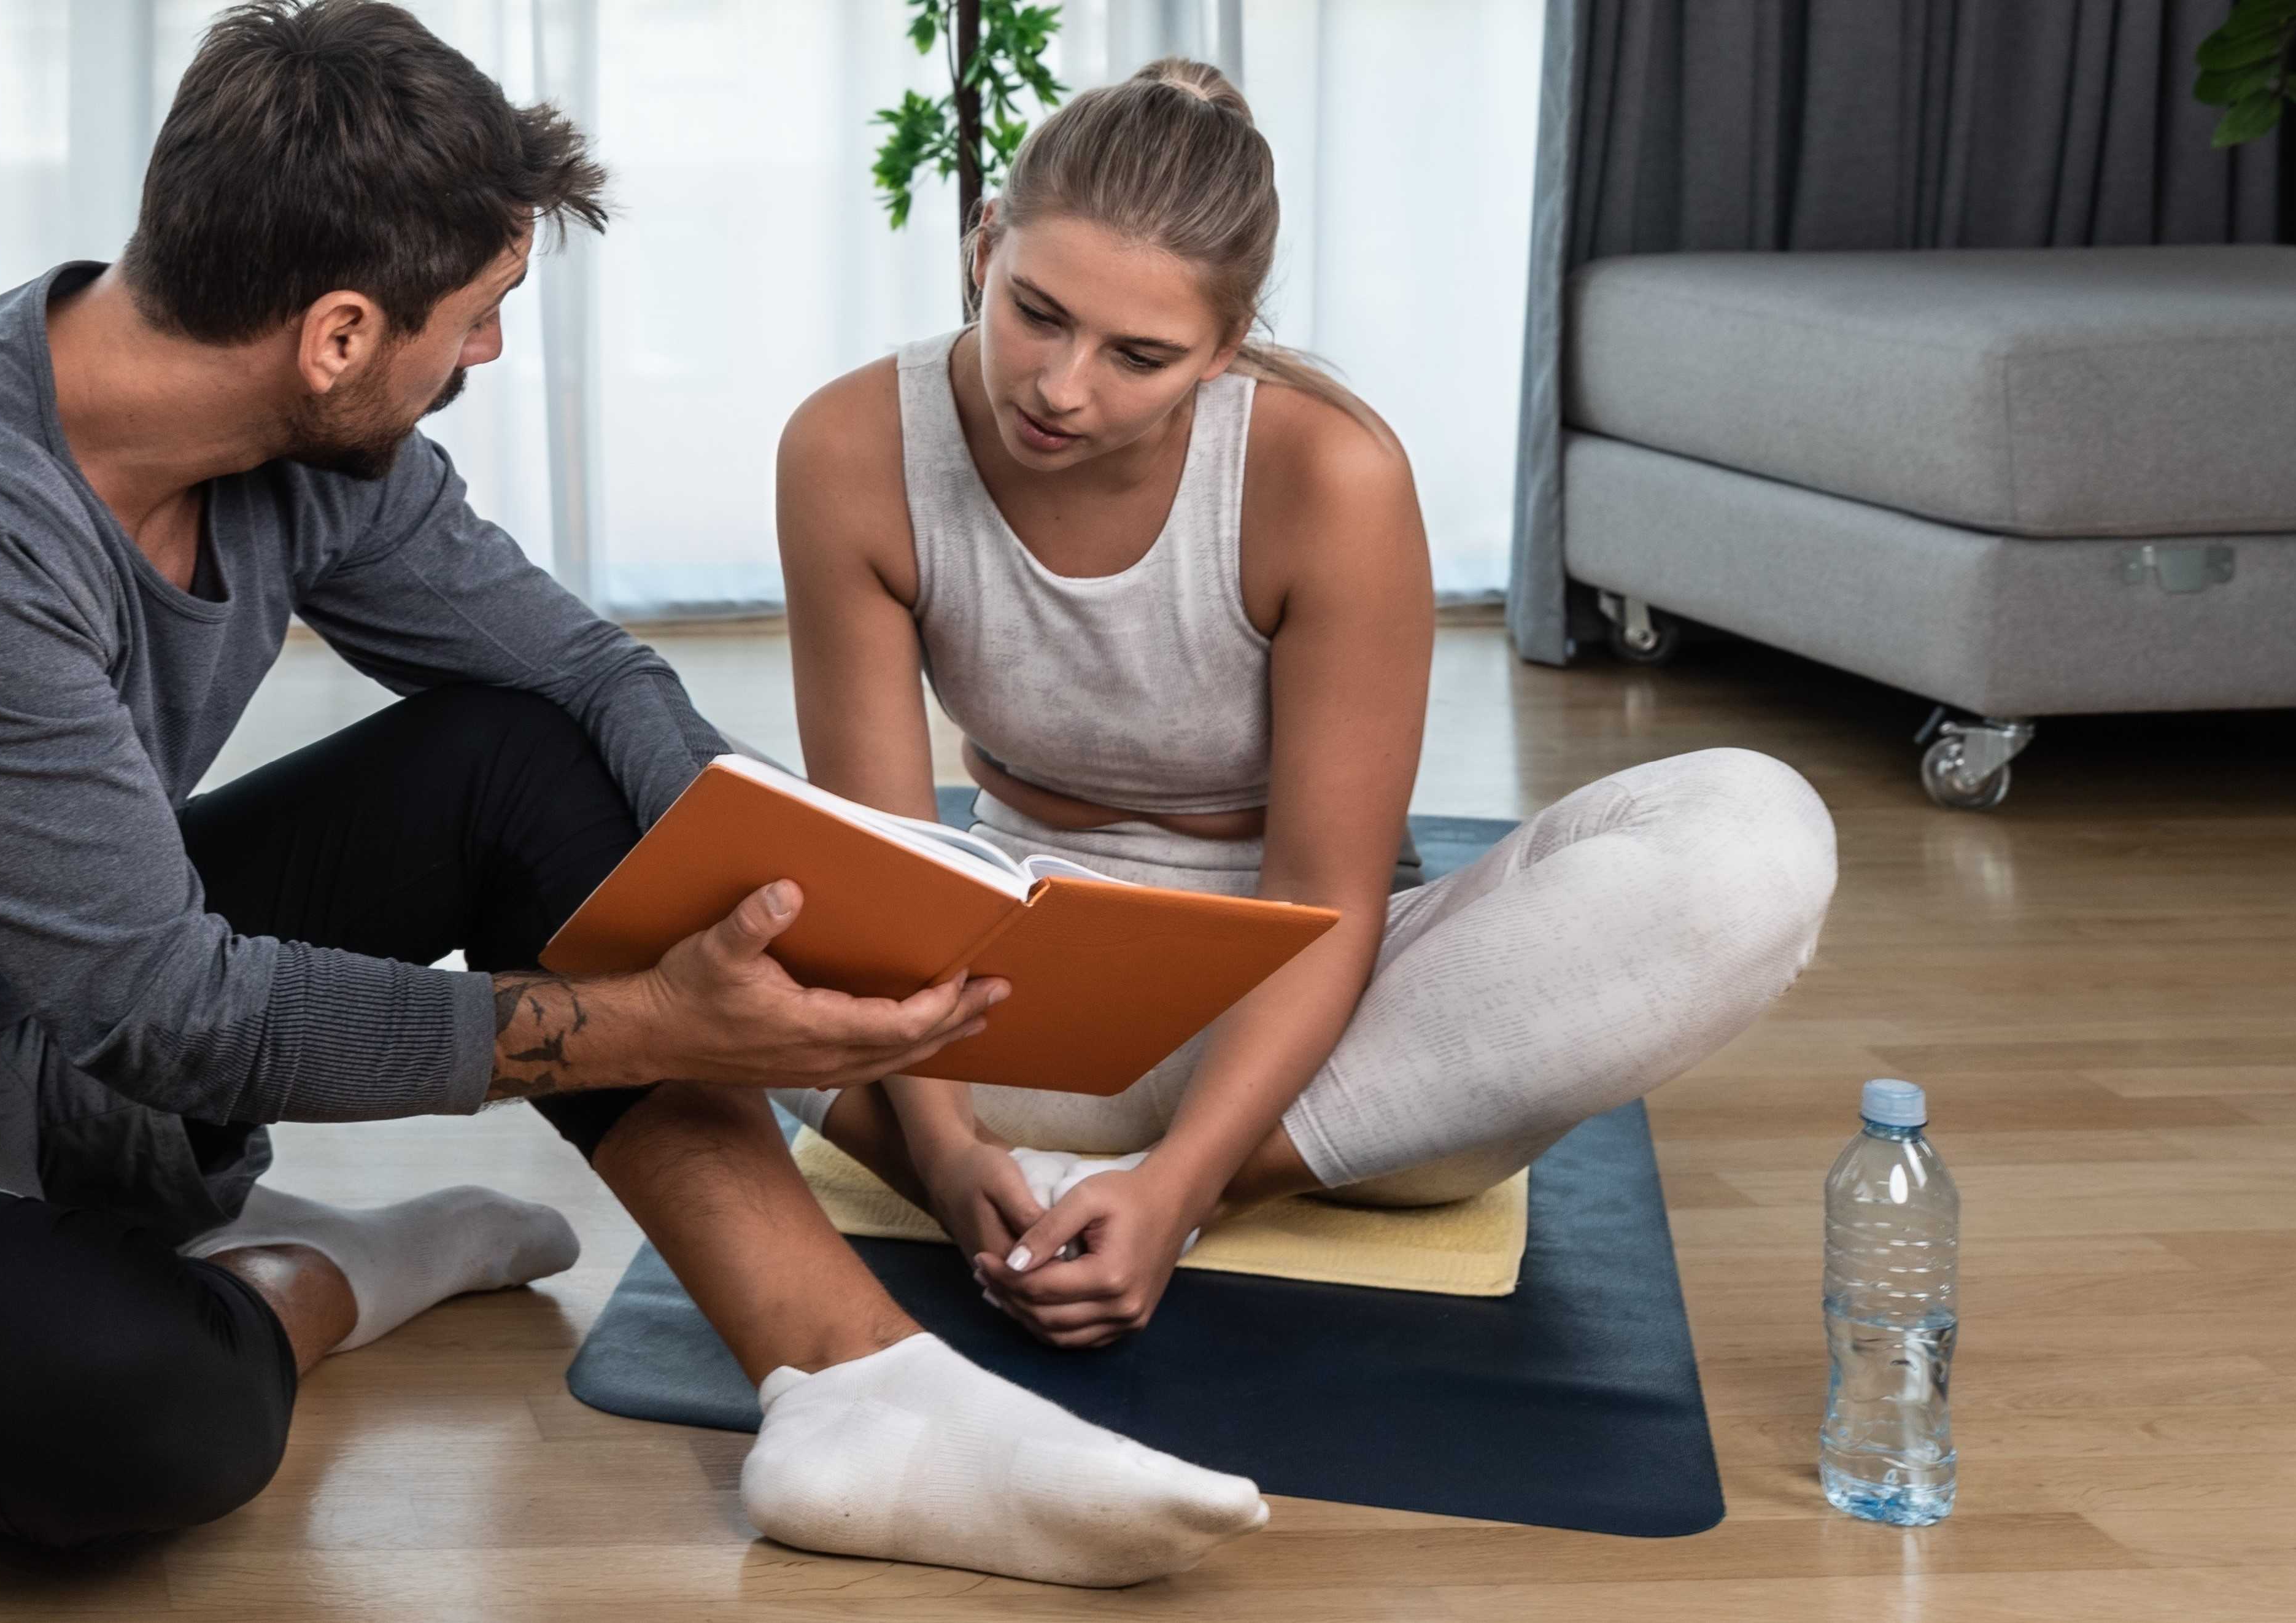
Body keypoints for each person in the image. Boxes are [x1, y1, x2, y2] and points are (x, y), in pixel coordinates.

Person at [0, 2, 1264, 1588]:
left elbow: (591, 678)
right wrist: (653, 1020)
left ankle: (852, 1383)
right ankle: (317, 1276)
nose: (483, 357)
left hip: (38, 1048)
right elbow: (170, 1012)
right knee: (148, 1419)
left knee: (519, 752)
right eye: (477, 320)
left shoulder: (304, 447)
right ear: (341, 332)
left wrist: (817, 903)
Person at [775, 61, 1840, 1350]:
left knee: (1753, 835)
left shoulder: (1330, 469)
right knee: (630, 832)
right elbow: (891, 875)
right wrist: (944, 1158)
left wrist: (1183, 1189)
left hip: (1325, 1046)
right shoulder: (849, 446)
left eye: (1139, 356)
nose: (1061, 387)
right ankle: (1026, 1184)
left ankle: (1176, 1187)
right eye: (1036, 314)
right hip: (1003, 1016)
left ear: (1227, 347)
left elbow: (1321, 900)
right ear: (985, 245)